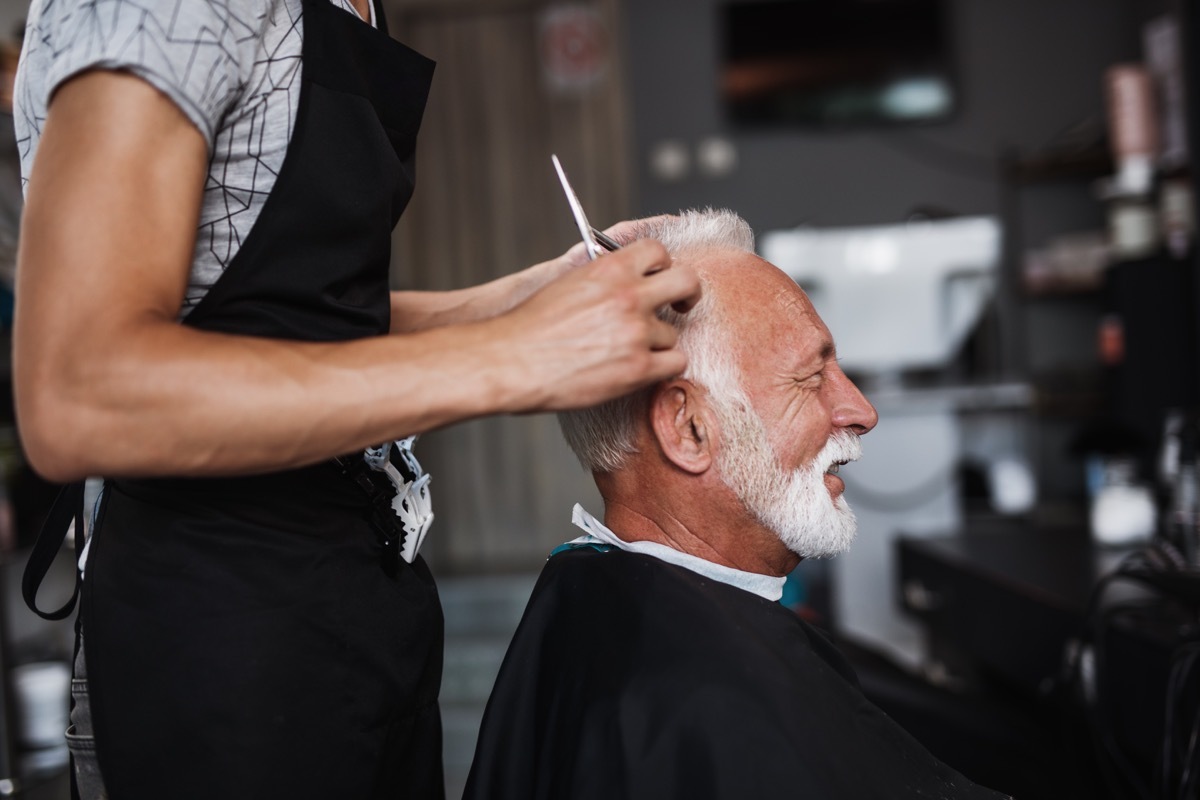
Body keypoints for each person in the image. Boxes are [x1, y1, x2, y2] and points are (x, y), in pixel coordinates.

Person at [11, 0, 700, 796]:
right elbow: (81, 392)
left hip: (355, 591)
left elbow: (299, 319)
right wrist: (514, 355)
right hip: (220, 632)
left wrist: (537, 296)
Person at [464, 209, 1009, 799]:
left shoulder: (589, 601)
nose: (861, 411)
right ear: (689, 429)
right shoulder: (698, 702)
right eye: (810, 377)